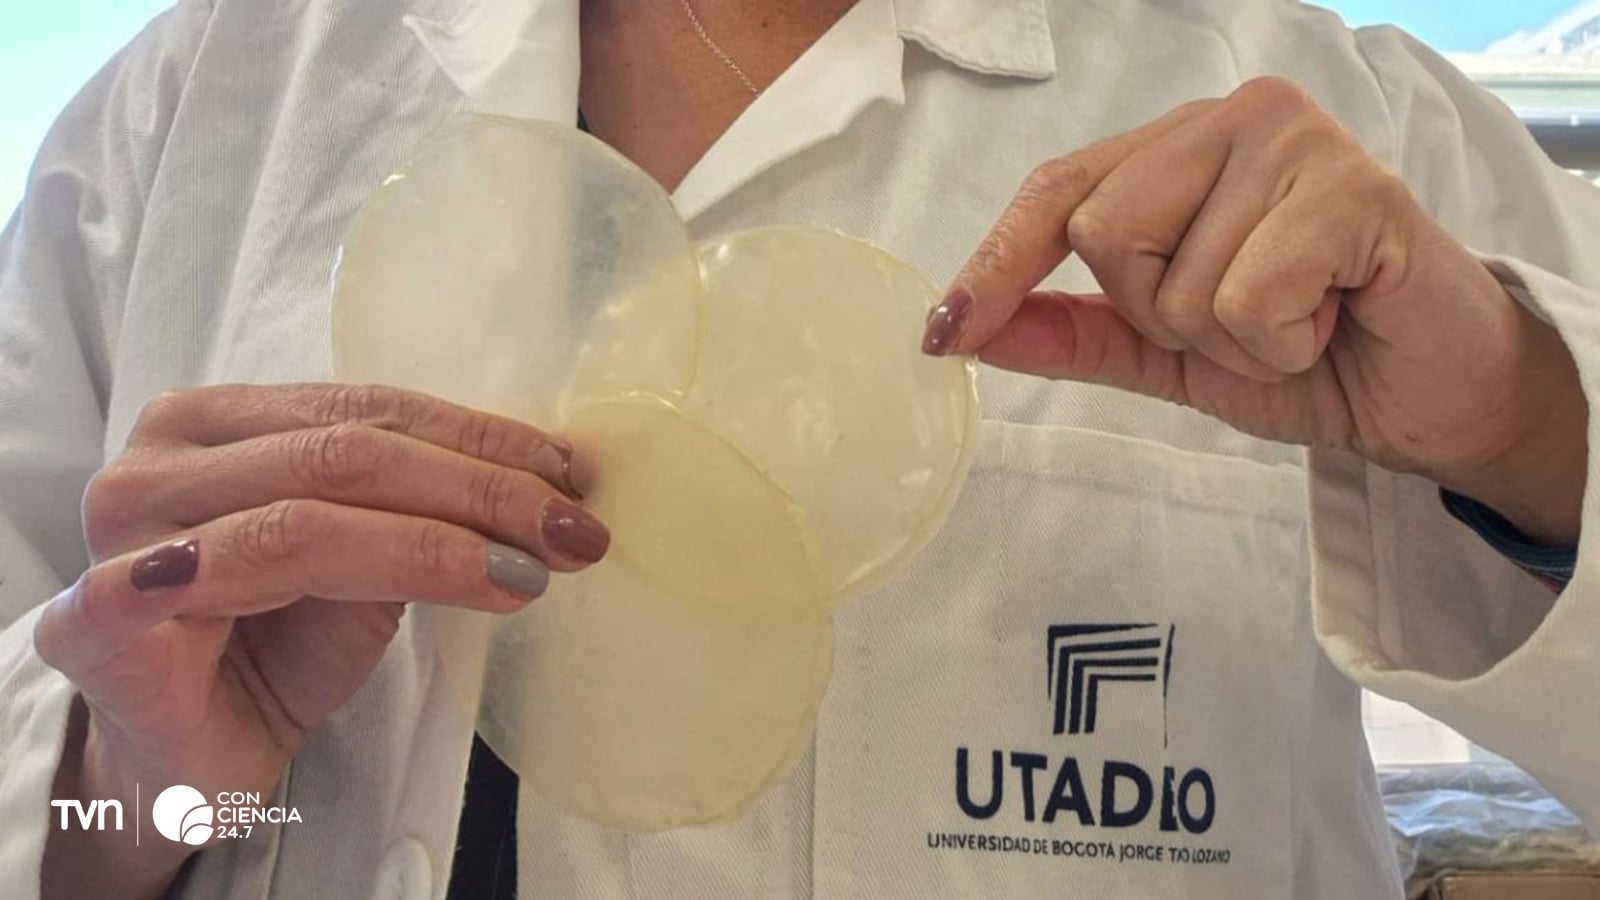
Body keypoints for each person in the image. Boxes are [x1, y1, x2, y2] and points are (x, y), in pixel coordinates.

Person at [0, 0, 1595, 897]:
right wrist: (133, 791)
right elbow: (68, 837)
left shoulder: (1323, 108)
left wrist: (1522, 420)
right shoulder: (192, 119)